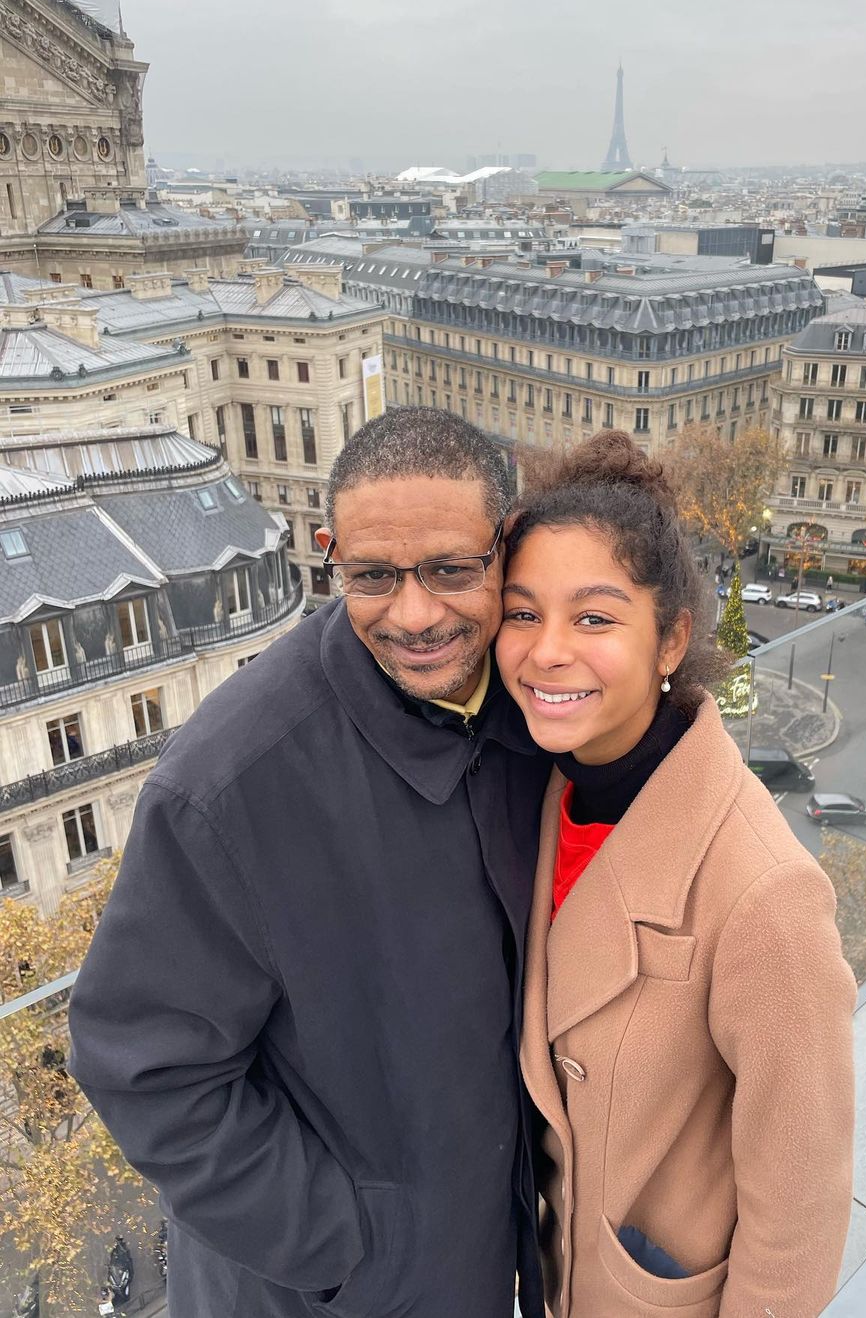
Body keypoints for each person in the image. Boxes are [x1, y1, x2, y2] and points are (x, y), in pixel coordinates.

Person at [68, 408, 552, 1318]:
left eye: (450, 569)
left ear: (507, 547)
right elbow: (144, 1066)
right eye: (372, 576)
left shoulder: (540, 708)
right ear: (329, 558)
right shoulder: (228, 783)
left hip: (475, 1263)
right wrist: (345, 1249)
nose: (415, 614)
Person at [495, 432, 856, 1317]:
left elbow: (801, 1206)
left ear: (671, 640)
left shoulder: (765, 892)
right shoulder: (538, 786)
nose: (546, 651)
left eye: (594, 618)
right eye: (522, 613)